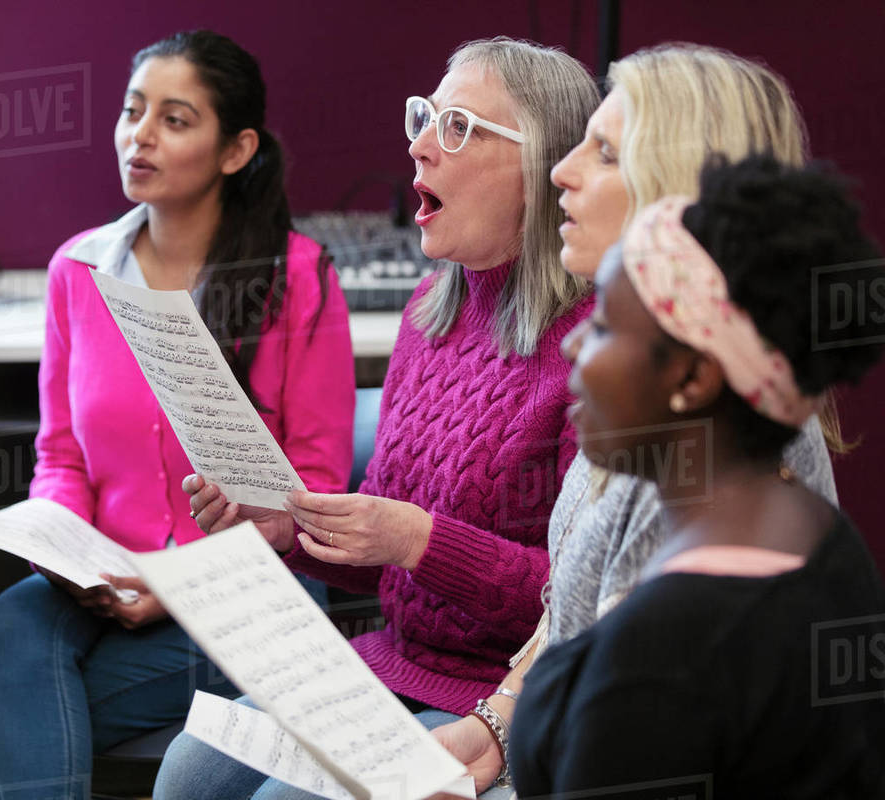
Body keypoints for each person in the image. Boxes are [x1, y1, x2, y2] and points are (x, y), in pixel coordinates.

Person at [155, 37, 599, 800]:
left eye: (457, 128)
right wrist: (292, 532)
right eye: (426, 118)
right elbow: (387, 558)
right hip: (386, 663)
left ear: (544, 168)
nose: (420, 146)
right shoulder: (426, 319)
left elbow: (583, 593)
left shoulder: (594, 351)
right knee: (188, 771)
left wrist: (418, 539)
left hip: (501, 694)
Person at [430, 44, 840, 795]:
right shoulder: (646, 387)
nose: (561, 169)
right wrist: (493, 727)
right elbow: (569, 620)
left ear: (684, 190)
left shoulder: (710, 453)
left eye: (606, 151)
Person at [0, 30, 355, 800]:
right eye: (131, 110)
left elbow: (314, 491)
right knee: (16, 617)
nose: (139, 135)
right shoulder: (77, 271)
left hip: (254, 593)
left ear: (235, 149)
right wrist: (62, 551)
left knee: (37, 706)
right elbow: (61, 456)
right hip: (103, 583)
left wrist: (174, 584)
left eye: (175, 119)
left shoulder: (300, 278)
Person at [509, 155, 885, 798]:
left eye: (602, 327)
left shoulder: (658, 665)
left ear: (691, 377)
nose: (573, 348)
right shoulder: (823, 538)